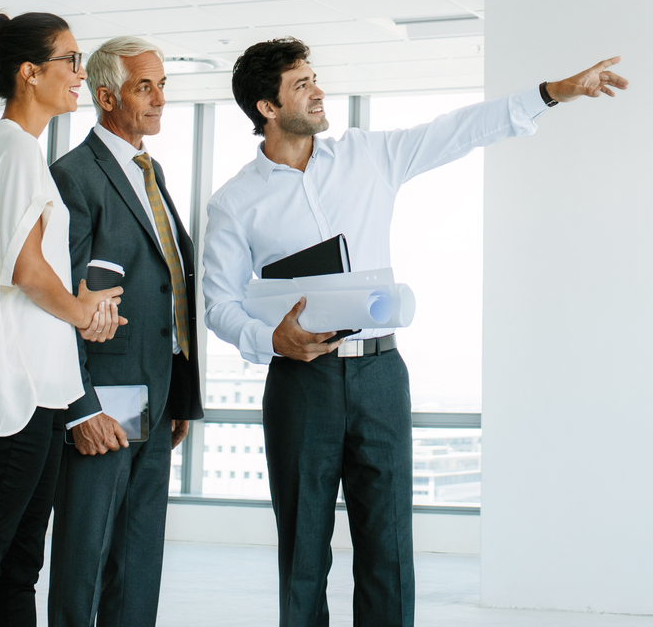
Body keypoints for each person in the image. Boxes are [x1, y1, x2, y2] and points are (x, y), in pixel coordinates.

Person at [202, 38, 627, 627]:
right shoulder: (234, 202)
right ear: (266, 108)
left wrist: (552, 93)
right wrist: (271, 340)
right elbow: (219, 305)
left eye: (315, 78)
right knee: (303, 550)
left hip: (379, 373)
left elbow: (459, 129)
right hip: (302, 381)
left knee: (388, 546)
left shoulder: (367, 156)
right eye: (301, 85)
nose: (319, 91)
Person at [0, 12, 127, 627]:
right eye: (69, 60)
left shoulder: (20, 151)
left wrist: (81, 307)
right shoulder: (12, 149)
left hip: (41, 392)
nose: (79, 75)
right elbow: (26, 268)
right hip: (17, 397)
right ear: (29, 73)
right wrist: (83, 311)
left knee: (16, 569)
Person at [47, 37, 202, 627]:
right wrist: (80, 407)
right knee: (85, 560)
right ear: (105, 95)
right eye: (146, 87)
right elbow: (58, 304)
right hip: (102, 402)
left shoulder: (149, 169)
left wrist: (178, 392)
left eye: (163, 85)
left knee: (139, 560)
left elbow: (167, 286)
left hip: (156, 398)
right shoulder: (74, 176)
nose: (160, 99)